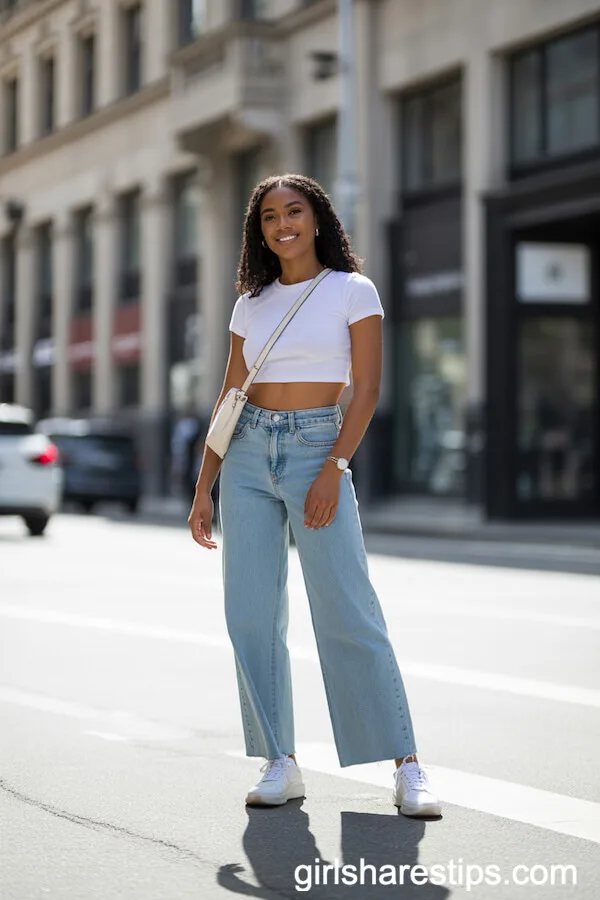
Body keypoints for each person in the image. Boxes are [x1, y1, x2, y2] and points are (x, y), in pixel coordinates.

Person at [188, 174, 441, 818]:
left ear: (318, 218)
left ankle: (406, 764)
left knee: (347, 610)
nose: (283, 224)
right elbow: (230, 395)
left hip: (315, 448)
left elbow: (368, 390)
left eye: (294, 211)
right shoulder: (252, 303)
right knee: (249, 615)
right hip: (245, 454)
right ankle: (281, 759)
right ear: (260, 230)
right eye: (270, 216)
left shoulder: (352, 290)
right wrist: (204, 485)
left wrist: (334, 465)